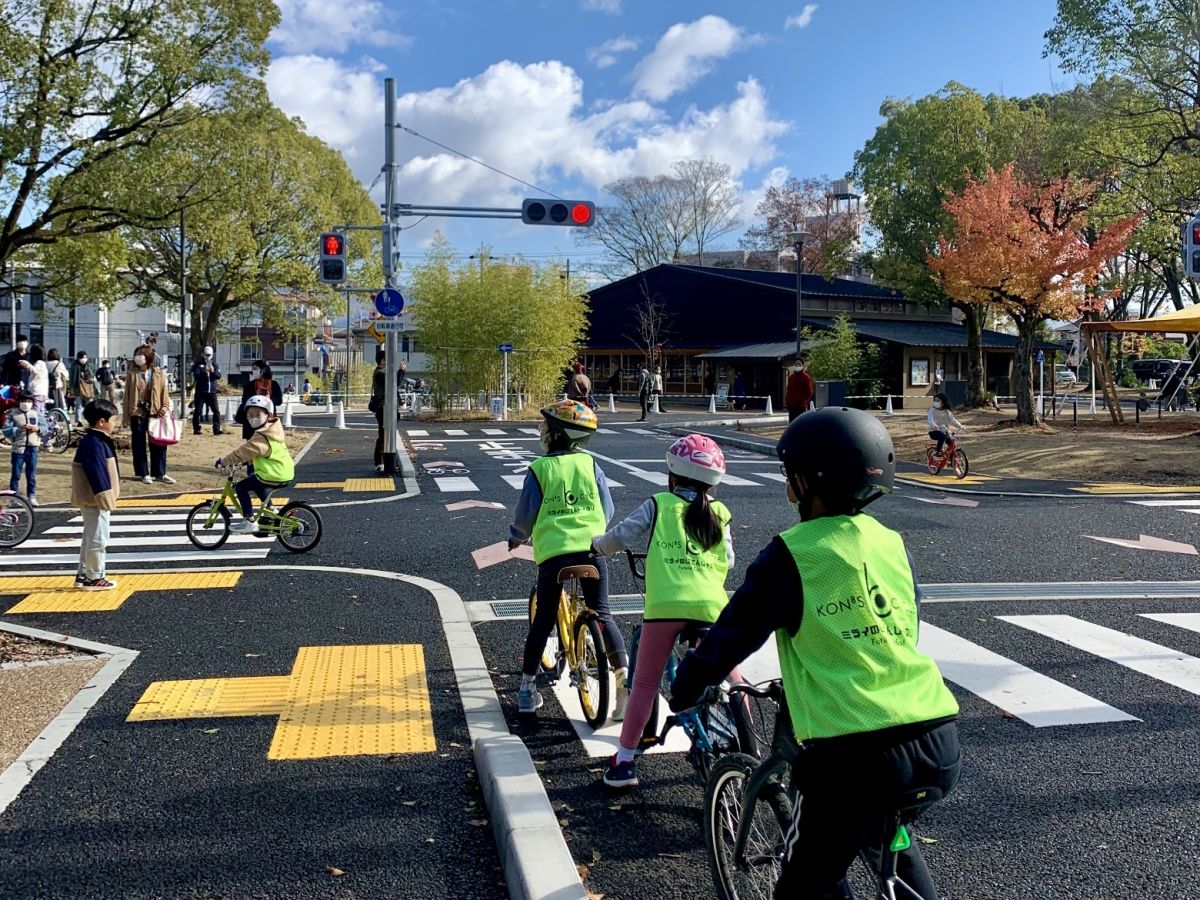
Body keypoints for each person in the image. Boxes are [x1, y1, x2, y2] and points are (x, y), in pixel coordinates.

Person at [670, 407, 961, 899]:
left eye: (791, 475)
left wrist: (687, 686)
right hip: (936, 739)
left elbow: (734, 635)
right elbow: (901, 622)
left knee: (806, 883)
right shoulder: (890, 543)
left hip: (853, 755)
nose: (788, 486)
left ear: (806, 483)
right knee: (882, 831)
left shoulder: (794, 552)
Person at [592, 434, 739, 789]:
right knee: (733, 678)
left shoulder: (658, 504)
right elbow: (729, 560)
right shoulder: (719, 512)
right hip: (711, 606)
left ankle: (625, 762)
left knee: (644, 684)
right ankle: (742, 742)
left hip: (665, 607)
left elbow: (621, 536)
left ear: (672, 474)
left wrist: (597, 545)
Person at [508, 399, 629, 715]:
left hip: (554, 557)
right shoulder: (591, 465)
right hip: (592, 549)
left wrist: (516, 538)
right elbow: (608, 508)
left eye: (545, 426)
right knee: (602, 612)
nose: (541, 430)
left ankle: (526, 691)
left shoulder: (540, 469)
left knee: (544, 618)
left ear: (555, 435)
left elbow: (525, 517)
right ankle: (622, 679)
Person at [214, 396, 295, 533]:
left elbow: (242, 452)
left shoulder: (261, 436)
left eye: (258, 414)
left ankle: (249, 521)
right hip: (283, 472)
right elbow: (260, 454)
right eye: (250, 415)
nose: (253, 418)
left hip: (272, 474)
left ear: (268, 415)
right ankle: (271, 510)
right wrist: (247, 462)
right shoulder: (274, 431)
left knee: (241, 487)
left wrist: (223, 462)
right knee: (257, 484)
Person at [72, 398, 121, 591]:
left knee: (90, 537)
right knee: (98, 538)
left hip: (91, 498)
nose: (114, 423)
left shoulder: (94, 440)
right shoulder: (95, 443)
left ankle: (84, 574)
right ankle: (94, 577)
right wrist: (105, 498)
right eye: (113, 420)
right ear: (102, 421)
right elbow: (98, 473)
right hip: (96, 499)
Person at [123, 343, 175, 485]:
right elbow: (127, 396)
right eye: (136, 355)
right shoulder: (132, 374)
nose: (138, 358)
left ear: (148, 357)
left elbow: (164, 394)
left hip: (155, 412)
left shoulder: (158, 373)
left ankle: (160, 472)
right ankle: (143, 472)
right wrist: (126, 416)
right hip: (137, 412)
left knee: (159, 443)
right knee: (138, 443)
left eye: (141, 355)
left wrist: (164, 408)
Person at [7, 390, 40, 506]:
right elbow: (6, 430)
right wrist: (18, 429)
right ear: (18, 402)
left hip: (33, 448)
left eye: (28, 401)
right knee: (16, 474)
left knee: (31, 474)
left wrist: (38, 429)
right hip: (18, 449)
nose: (26, 403)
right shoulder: (13, 415)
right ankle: (14, 497)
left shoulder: (35, 414)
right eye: (23, 401)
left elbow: (45, 428)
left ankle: (31, 495)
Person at [236, 360, 283, 441]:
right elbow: (244, 400)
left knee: (268, 441)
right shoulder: (249, 385)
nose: (254, 371)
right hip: (252, 419)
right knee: (252, 443)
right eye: (253, 369)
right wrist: (255, 395)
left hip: (269, 419)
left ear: (263, 370)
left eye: (255, 369)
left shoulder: (274, 384)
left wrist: (269, 398)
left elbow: (279, 400)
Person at [191, 347, 224, 435]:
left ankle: (216, 429)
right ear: (203, 354)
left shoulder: (214, 364)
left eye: (209, 355)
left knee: (216, 411)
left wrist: (213, 371)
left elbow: (218, 376)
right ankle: (196, 428)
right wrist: (204, 372)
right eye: (206, 354)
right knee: (198, 410)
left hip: (212, 391)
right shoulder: (198, 364)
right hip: (201, 391)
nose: (207, 356)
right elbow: (196, 375)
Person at [19, 345, 48, 416]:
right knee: (40, 411)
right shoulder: (43, 363)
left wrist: (26, 364)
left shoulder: (39, 363)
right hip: (42, 392)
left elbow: (34, 370)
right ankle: (41, 425)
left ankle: (35, 425)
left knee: (35, 412)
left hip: (36, 392)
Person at [68, 351, 95, 426]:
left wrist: (90, 379)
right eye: (82, 358)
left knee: (90, 404)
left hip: (87, 387)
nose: (84, 359)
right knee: (78, 404)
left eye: (85, 357)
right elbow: (71, 378)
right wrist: (71, 388)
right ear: (78, 358)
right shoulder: (74, 366)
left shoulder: (88, 365)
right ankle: (79, 421)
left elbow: (92, 375)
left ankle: (91, 420)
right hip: (77, 387)